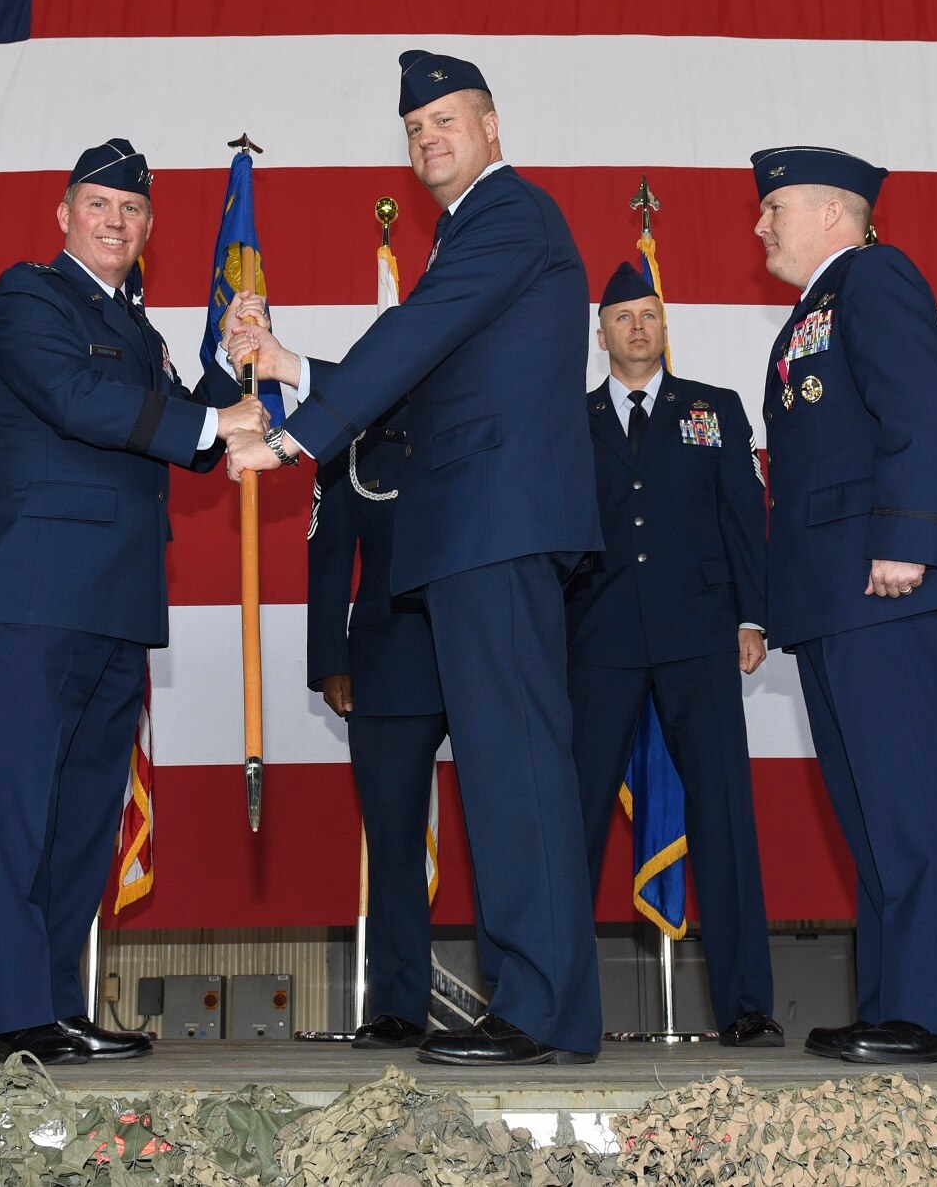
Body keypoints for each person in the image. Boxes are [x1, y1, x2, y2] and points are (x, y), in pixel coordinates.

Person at [223, 51, 605, 1065]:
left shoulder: (509, 215)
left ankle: (539, 1009)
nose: (428, 137)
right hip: (475, 530)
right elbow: (429, 370)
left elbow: (420, 335)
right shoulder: (466, 235)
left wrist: (296, 435)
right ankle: (538, 1003)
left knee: (515, 768)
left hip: (498, 526)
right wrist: (288, 365)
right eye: (413, 128)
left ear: (490, 127)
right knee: (501, 768)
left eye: (446, 118)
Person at [0, 138, 268, 1064]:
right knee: (22, 807)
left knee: (87, 813)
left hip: (120, 598)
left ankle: (53, 1004)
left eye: (132, 210)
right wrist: (212, 420)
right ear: (64, 215)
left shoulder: (138, 328)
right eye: (99, 204)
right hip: (42, 589)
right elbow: (76, 399)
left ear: (147, 229)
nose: (115, 221)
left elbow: (187, 430)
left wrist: (233, 359)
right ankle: (15, 1016)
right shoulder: (29, 297)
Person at [750, 145, 937, 1063]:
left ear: (834, 215)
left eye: (777, 208)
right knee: (873, 813)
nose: (761, 224)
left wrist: (906, 539)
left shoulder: (876, 278)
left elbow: (926, 406)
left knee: (913, 803)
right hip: (832, 597)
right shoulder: (808, 313)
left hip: (884, 582)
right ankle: (897, 1004)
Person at [563, 261, 782, 1048]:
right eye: (622, 317)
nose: (637, 327)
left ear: (665, 325)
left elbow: (741, 517)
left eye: (650, 314)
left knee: (724, 815)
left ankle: (747, 1006)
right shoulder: (570, 416)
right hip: (598, 641)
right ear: (602, 334)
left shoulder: (712, 410)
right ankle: (558, 1005)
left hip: (698, 635)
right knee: (575, 822)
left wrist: (752, 617)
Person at [306, 402, 467, 1049]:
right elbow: (328, 560)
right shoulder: (351, 450)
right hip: (388, 660)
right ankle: (398, 1005)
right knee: (395, 845)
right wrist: (330, 662)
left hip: (477, 653)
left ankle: (521, 999)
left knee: (507, 839)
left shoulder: (473, 428)